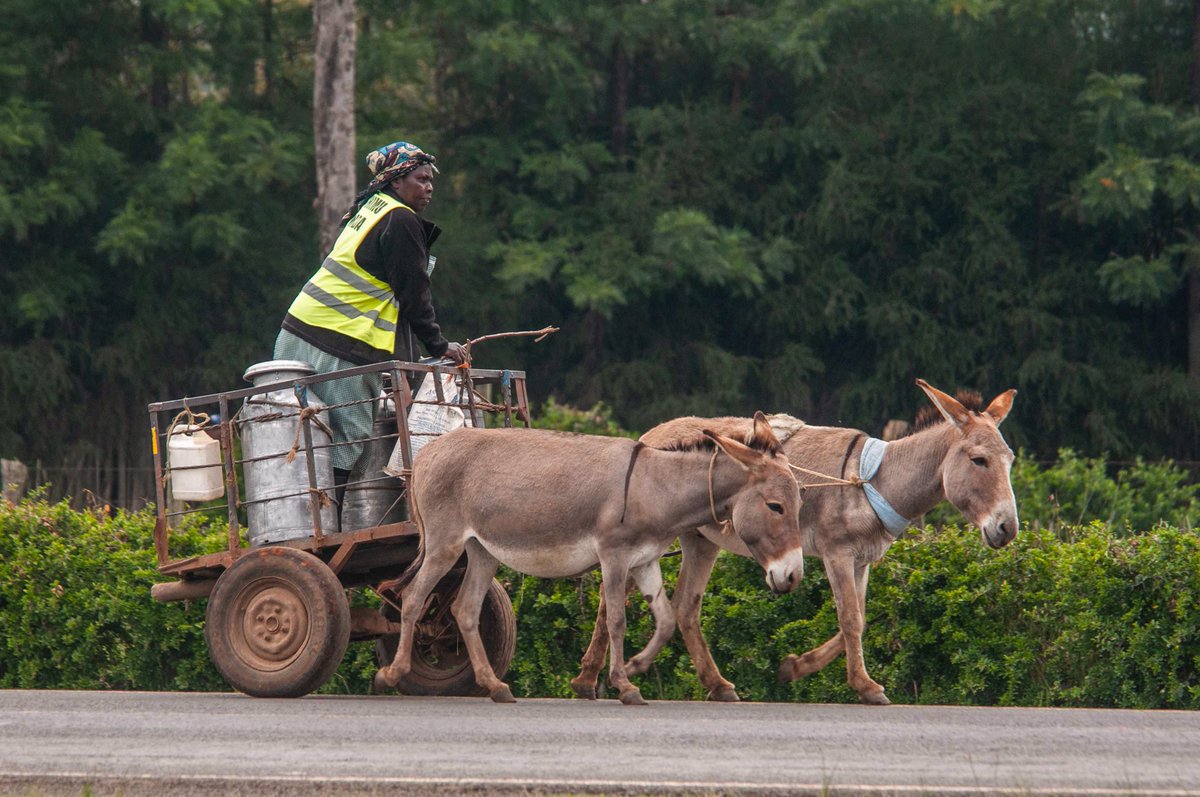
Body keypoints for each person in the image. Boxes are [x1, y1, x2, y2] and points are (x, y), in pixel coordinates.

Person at [273, 140, 466, 495]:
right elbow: (413, 296)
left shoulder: (371, 207)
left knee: (297, 433)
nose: (429, 188)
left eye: (431, 181)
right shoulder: (402, 220)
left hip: (298, 331)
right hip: (338, 343)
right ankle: (326, 527)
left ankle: (306, 518)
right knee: (345, 439)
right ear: (396, 181)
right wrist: (440, 345)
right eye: (421, 179)